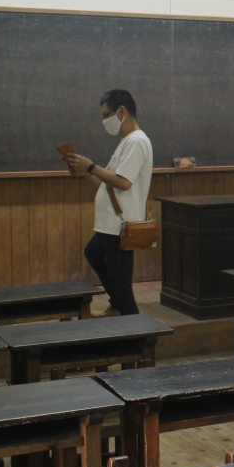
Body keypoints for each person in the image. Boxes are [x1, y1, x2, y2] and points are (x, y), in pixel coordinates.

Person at [65, 90, 153, 316]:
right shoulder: (127, 142)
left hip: (120, 226)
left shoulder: (136, 141)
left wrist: (91, 166)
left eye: (107, 115)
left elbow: (123, 182)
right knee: (93, 253)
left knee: (123, 288)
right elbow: (109, 185)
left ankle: (135, 329)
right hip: (111, 225)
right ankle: (118, 306)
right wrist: (84, 173)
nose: (104, 120)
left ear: (122, 112)